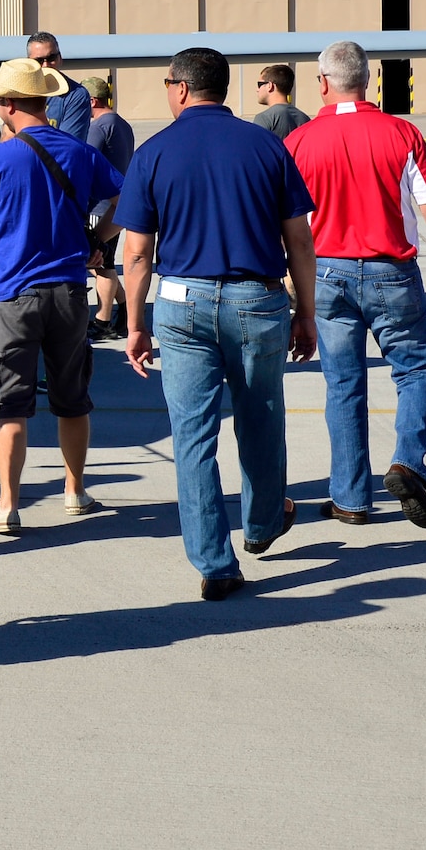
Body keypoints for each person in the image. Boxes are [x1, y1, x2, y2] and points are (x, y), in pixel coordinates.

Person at [120, 47, 317, 600]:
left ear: (181, 89)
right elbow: (298, 237)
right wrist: (306, 310)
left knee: (193, 435)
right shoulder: (266, 147)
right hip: (257, 299)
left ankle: (214, 561)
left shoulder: (153, 151)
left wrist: (136, 323)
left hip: (181, 303)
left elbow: (137, 253)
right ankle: (259, 526)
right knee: (261, 418)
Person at [286, 42, 426, 529]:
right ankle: (406, 462)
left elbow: (289, 223)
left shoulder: (299, 142)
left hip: (327, 271)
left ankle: (350, 498)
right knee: (415, 371)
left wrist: (295, 290)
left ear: (322, 82)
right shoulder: (402, 133)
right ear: (369, 79)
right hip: (391, 271)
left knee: (343, 385)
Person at [0, 58, 124, 528]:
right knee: (72, 397)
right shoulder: (79, 150)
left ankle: (8, 505)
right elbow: (126, 203)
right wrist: (96, 241)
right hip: (69, 291)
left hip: (13, 293)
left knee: (9, 402)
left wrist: (4, 222)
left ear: (8, 104)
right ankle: (75, 492)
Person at [81, 76, 135, 342]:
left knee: (100, 263)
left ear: (92, 100)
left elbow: (83, 160)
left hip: (100, 206)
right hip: (116, 202)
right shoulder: (122, 123)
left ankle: (102, 320)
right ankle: (124, 312)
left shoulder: (99, 126)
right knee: (104, 262)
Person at [25, 32, 94, 141]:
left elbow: (67, 144)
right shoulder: (21, 91)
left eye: (51, 58)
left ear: (60, 58)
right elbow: (8, 135)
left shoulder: (75, 94)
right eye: (39, 60)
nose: (46, 65)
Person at [252, 64, 312, 138]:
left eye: (259, 84)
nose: (257, 89)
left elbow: (257, 147)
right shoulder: (305, 118)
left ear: (270, 86)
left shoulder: (264, 118)